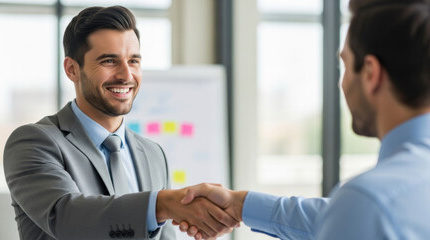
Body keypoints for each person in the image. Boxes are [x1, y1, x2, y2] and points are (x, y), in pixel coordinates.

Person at [177, 0, 430, 239]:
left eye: (344, 65)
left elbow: (355, 213)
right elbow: (335, 217)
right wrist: (241, 204)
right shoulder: (379, 201)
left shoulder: (369, 202)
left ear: (370, 74)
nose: (342, 84)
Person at [3, 6, 238, 240]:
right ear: (72, 69)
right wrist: (162, 204)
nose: (126, 75)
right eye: (109, 61)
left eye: (133, 61)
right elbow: (66, 219)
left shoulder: (153, 154)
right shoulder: (34, 142)